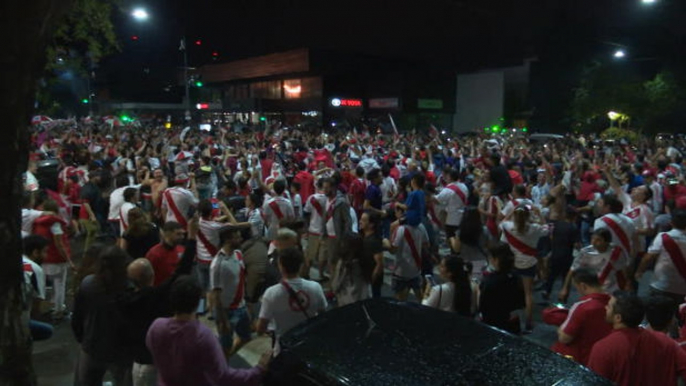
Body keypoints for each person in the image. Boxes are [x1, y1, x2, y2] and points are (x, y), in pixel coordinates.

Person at [146, 276, 269, 386]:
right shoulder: (202, 336)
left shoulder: (156, 327)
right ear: (197, 302)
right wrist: (258, 370)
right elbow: (223, 377)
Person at [120, 218, 197, 386]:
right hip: (149, 362)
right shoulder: (155, 296)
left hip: (140, 359)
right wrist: (192, 237)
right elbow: (182, 270)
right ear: (151, 275)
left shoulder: (124, 300)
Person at [587, 291, 686, 386]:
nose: (605, 307)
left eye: (608, 306)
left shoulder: (603, 348)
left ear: (618, 318)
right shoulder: (665, 341)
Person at [72, 246, 132, 386]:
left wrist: (82, 338)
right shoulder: (129, 289)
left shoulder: (88, 284)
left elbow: (77, 317)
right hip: (121, 349)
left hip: (92, 344)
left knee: (85, 380)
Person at [256, 246, 327, 355]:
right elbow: (323, 315)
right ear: (301, 265)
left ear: (280, 266)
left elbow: (260, 329)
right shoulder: (315, 287)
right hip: (309, 345)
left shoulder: (271, 293)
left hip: (284, 349)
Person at [499, 204, 549, 332]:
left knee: (510, 290)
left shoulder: (509, 227)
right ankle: (528, 322)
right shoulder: (535, 228)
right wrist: (539, 213)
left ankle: (509, 316)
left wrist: (511, 212)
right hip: (529, 263)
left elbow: (502, 222)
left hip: (513, 263)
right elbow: (547, 229)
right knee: (528, 293)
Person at [551, 268, 612, 366]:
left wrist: (560, 328)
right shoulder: (613, 302)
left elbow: (564, 338)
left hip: (580, 358)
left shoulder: (582, 307)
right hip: (602, 357)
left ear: (583, 286)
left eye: (577, 288)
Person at [211, 226, 251, 357]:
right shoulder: (218, 264)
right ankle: (223, 367)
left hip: (241, 306)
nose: (241, 239)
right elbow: (216, 296)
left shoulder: (238, 254)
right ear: (228, 240)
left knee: (246, 337)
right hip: (228, 311)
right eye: (237, 237)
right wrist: (223, 320)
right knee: (224, 346)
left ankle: (226, 360)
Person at [560, 228, 629, 303]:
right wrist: (565, 288)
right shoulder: (585, 252)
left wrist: (627, 285)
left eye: (598, 240)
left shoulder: (616, 253)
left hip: (610, 288)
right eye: (592, 239)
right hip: (590, 288)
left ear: (607, 242)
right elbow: (572, 270)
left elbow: (622, 270)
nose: (593, 242)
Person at [32, 199, 73, 319]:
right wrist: (69, 260)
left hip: (44, 257)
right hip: (57, 258)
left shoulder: (38, 222)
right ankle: (58, 308)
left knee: (43, 285)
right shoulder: (55, 223)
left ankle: (44, 308)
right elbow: (59, 244)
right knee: (59, 284)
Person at [636, 208, 686, 305]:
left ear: (671, 223)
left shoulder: (663, 237)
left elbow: (648, 258)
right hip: (683, 288)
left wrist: (639, 271)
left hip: (661, 285)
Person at [479, 242, 525, 334]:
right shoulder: (516, 276)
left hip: (494, 323)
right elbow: (521, 301)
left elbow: (482, 306)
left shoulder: (489, 281)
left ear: (496, 260)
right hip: (512, 321)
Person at [386, 205, 429, 301]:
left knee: (400, 299)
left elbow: (393, 250)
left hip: (401, 271)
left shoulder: (401, 229)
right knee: (420, 297)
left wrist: (387, 242)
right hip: (416, 269)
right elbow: (426, 245)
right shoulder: (421, 226)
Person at [542, 206, 579, 300]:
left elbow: (550, 236)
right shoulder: (573, 228)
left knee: (552, 274)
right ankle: (563, 295)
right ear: (574, 217)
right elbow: (576, 244)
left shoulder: (556, 224)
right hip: (567, 255)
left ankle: (546, 291)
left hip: (555, 253)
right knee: (565, 277)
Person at [22, 235, 53, 341]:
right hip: (15, 318)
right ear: (35, 252)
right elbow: (38, 302)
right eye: (44, 252)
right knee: (47, 330)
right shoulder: (35, 269)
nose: (46, 256)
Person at [332, 234, 370, 306]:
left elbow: (336, 284)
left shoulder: (344, 263)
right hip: (363, 297)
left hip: (347, 300)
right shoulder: (364, 260)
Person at [145, 222, 185, 286]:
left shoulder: (182, 250)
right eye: (178, 234)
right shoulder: (154, 254)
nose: (182, 237)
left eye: (183, 234)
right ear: (167, 234)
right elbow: (147, 276)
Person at [304, 179, 328, 279]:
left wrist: (307, 227)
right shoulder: (329, 198)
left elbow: (306, 212)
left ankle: (306, 273)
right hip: (326, 230)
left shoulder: (312, 198)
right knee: (323, 254)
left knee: (310, 253)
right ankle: (321, 274)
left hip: (313, 229)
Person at [435, 168, 468, 239]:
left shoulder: (449, 189)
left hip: (452, 218)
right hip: (463, 216)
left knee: (452, 238)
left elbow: (437, 200)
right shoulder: (464, 186)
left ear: (449, 177)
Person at [360, 211, 385, 298]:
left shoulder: (374, 241)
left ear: (371, 225)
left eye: (363, 220)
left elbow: (379, 264)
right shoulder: (363, 236)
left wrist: (372, 280)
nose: (360, 222)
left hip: (372, 279)